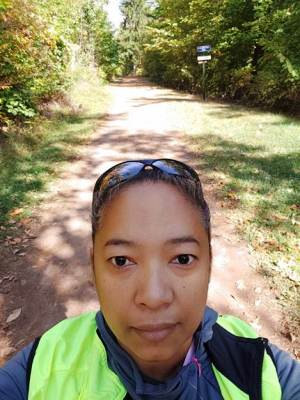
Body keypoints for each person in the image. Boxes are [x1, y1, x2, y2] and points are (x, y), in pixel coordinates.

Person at [0, 158, 299, 400]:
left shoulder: (259, 367)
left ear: (209, 263)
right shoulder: (44, 364)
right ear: (93, 267)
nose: (154, 297)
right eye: (121, 261)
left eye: (182, 259)